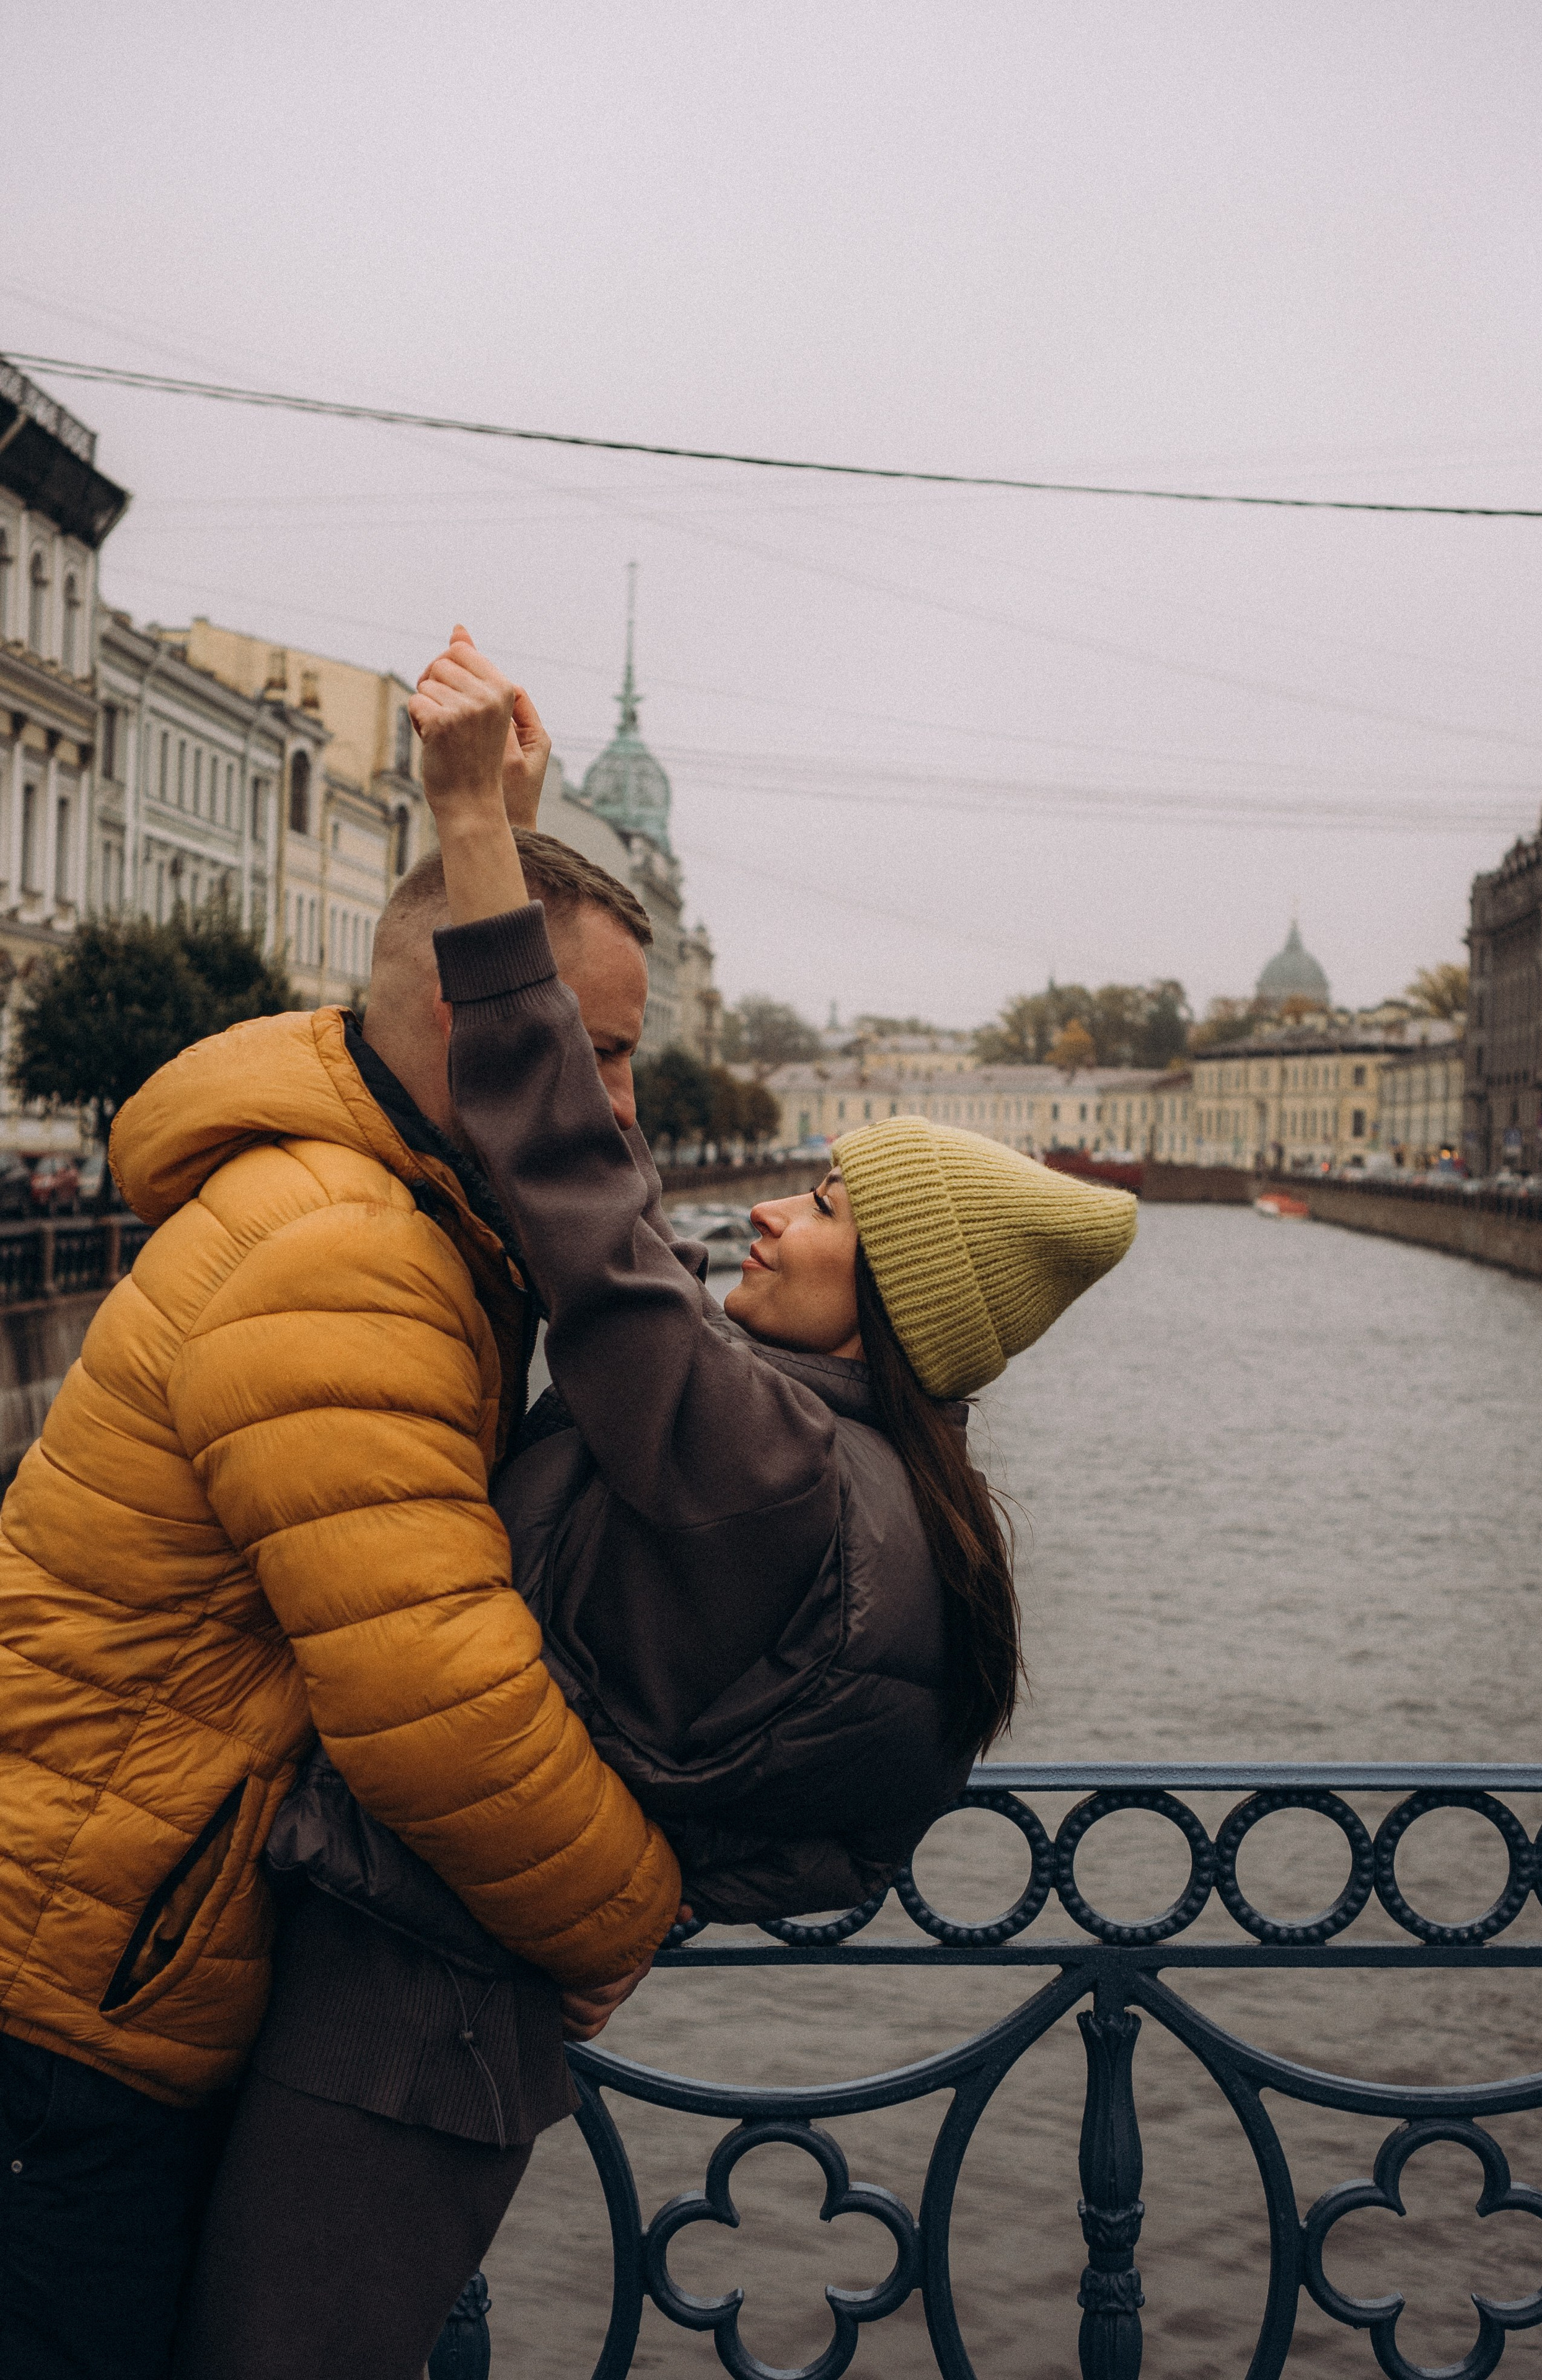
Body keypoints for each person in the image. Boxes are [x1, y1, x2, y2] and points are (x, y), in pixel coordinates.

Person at [174, 629, 1139, 2377]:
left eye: (825, 1209)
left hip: (399, 2008)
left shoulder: (762, 1465)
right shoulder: (851, 1472)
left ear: (895, 1300)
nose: (767, 1212)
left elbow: (582, 1201)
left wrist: (482, 836)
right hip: (446, 2000)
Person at [0, 659, 681, 2380]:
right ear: (481, 1020)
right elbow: (432, 1699)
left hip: (87, 1940)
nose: (618, 1103)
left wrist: (490, 836)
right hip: (66, 1998)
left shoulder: (378, 1202)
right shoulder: (351, 1257)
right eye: (599, 1052)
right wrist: (629, 1911)